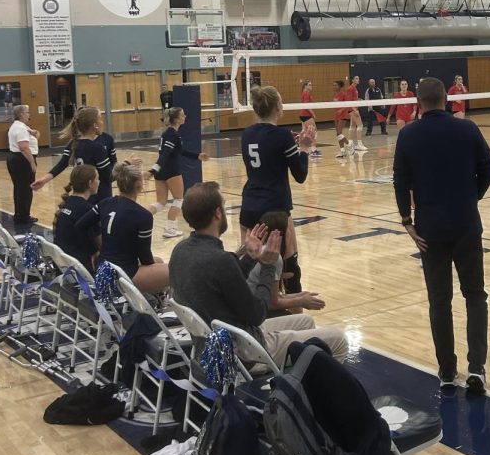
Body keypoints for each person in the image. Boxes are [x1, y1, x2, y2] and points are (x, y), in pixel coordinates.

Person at [168, 182, 347, 365]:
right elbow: (258, 314)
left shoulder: (180, 250)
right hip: (242, 354)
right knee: (339, 339)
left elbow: (226, 279)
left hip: (213, 343)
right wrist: (268, 266)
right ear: (218, 213)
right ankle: (296, 390)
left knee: (304, 321)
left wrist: (250, 256)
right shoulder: (220, 260)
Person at [393, 77, 490, 393]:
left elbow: (399, 182)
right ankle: (476, 369)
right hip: (466, 224)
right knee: (475, 295)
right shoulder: (467, 129)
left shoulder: (408, 135)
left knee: (440, 301)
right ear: (447, 99)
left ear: (418, 103)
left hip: (429, 231)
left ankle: (447, 371)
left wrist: (407, 221)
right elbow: (487, 168)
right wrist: (472, 198)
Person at [240, 85, 311, 288]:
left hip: (249, 206)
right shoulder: (282, 136)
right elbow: (300, 175)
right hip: (275, 208)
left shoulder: (247, 134)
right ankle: (295, 315)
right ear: (278, 107)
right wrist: (304, 148)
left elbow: (266, 151)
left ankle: (254, 314)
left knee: (250, 265)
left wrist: (289, 146)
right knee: (289, 270)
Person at [77, 161, 168, 294]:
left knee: (158, 261)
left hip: (103, 268)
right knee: (173, 270)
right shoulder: (143, 216)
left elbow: (80, 226)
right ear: (138, 185)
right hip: (123, 274)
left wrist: (94, 251)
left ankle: (153, 301)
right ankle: (159, 305)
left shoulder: (105, 203)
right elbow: (145, 258)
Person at [149, 106, 209, 238]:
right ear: (176, 119)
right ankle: (169, 229)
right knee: (178, 199)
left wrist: (196, 156)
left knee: (160, 202)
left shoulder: (169, 133)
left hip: (162, 171)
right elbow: (164, 155)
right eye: (182, 115)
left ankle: (139, 218)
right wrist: (152, 170)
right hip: (170, 171)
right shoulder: (172, 135)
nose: (185, 117)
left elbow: (179, 151)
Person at [32, 105, 114, 201]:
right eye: (100, 119)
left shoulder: (75, 143)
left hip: (82, 197)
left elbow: (62, 164)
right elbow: (109, 177)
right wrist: (127, 165)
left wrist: (44, 180)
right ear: (95, 125)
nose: (102, 122)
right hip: (100, 197)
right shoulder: (97, 148)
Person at [53, 163, 100, 268]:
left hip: (62, 264)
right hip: (79, 267)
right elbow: (100, 244)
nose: (99, 182)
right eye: (97, 179)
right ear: (90, 183)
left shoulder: (67, 203)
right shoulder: (88, 210)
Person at [6, 104, 39, 229]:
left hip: (16, 159)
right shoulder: (20, 128)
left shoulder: (20, 127)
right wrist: (32, 162)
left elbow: (35, 138)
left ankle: (20, 214)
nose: (29, 114)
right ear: (21, 114)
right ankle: (24, 216)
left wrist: (34, 132)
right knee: (25, 188)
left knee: (20, 188)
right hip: (22, 160)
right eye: (27, 112)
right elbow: (24, 147)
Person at [299, 80, 321, 157]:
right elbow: (306, 105)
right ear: (305, 86)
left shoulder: (304, 92)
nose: (311, 86)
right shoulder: (306, 93)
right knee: (314, 131)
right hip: (306, 115)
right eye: (309, 84)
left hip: (302, 115)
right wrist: (313, 113)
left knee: (305, 132)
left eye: (311, 84)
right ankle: (314, 150)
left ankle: (305, 150)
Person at [332, 79, 352, 158]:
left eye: (335, 85)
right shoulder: (335, 95)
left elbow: (347, 104)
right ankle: (342, 151)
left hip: (343, 116)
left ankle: (350, 145)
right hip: (336, 116)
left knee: (339, 133)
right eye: (333, 85)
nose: (334, 86)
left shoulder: (343, 94)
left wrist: (341, 110)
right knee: (338, 134)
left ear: (340, 86)